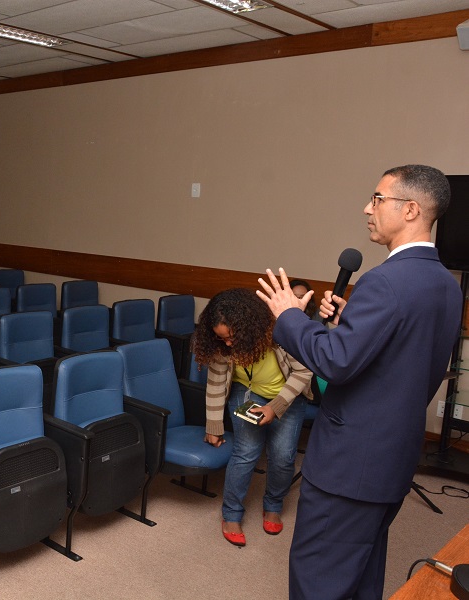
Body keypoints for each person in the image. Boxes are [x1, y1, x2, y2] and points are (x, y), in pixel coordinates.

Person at [256, 165, 462, 600]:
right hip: (392, 458)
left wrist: (289, 315)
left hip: (350, 465)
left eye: (377, 199)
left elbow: (334, 362)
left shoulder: (384, 281)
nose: (367, 208)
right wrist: (352, 322)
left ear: (410, 209)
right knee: (362, 573)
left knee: (319, 580)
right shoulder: (445, 283)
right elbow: (406, 357)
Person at [193, 288, 311, 548]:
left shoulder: (279, 334)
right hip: (246, 393)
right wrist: (214, 426)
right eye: (221, 338)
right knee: (246, 452)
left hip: (286, 394)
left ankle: (273, 505)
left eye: (231, 337)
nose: (227, 344)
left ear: (249, 327)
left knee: (282, 456)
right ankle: (231, 514)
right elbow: (216, 384)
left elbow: (304, 373)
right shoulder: (222, 347)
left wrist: (275, 407)